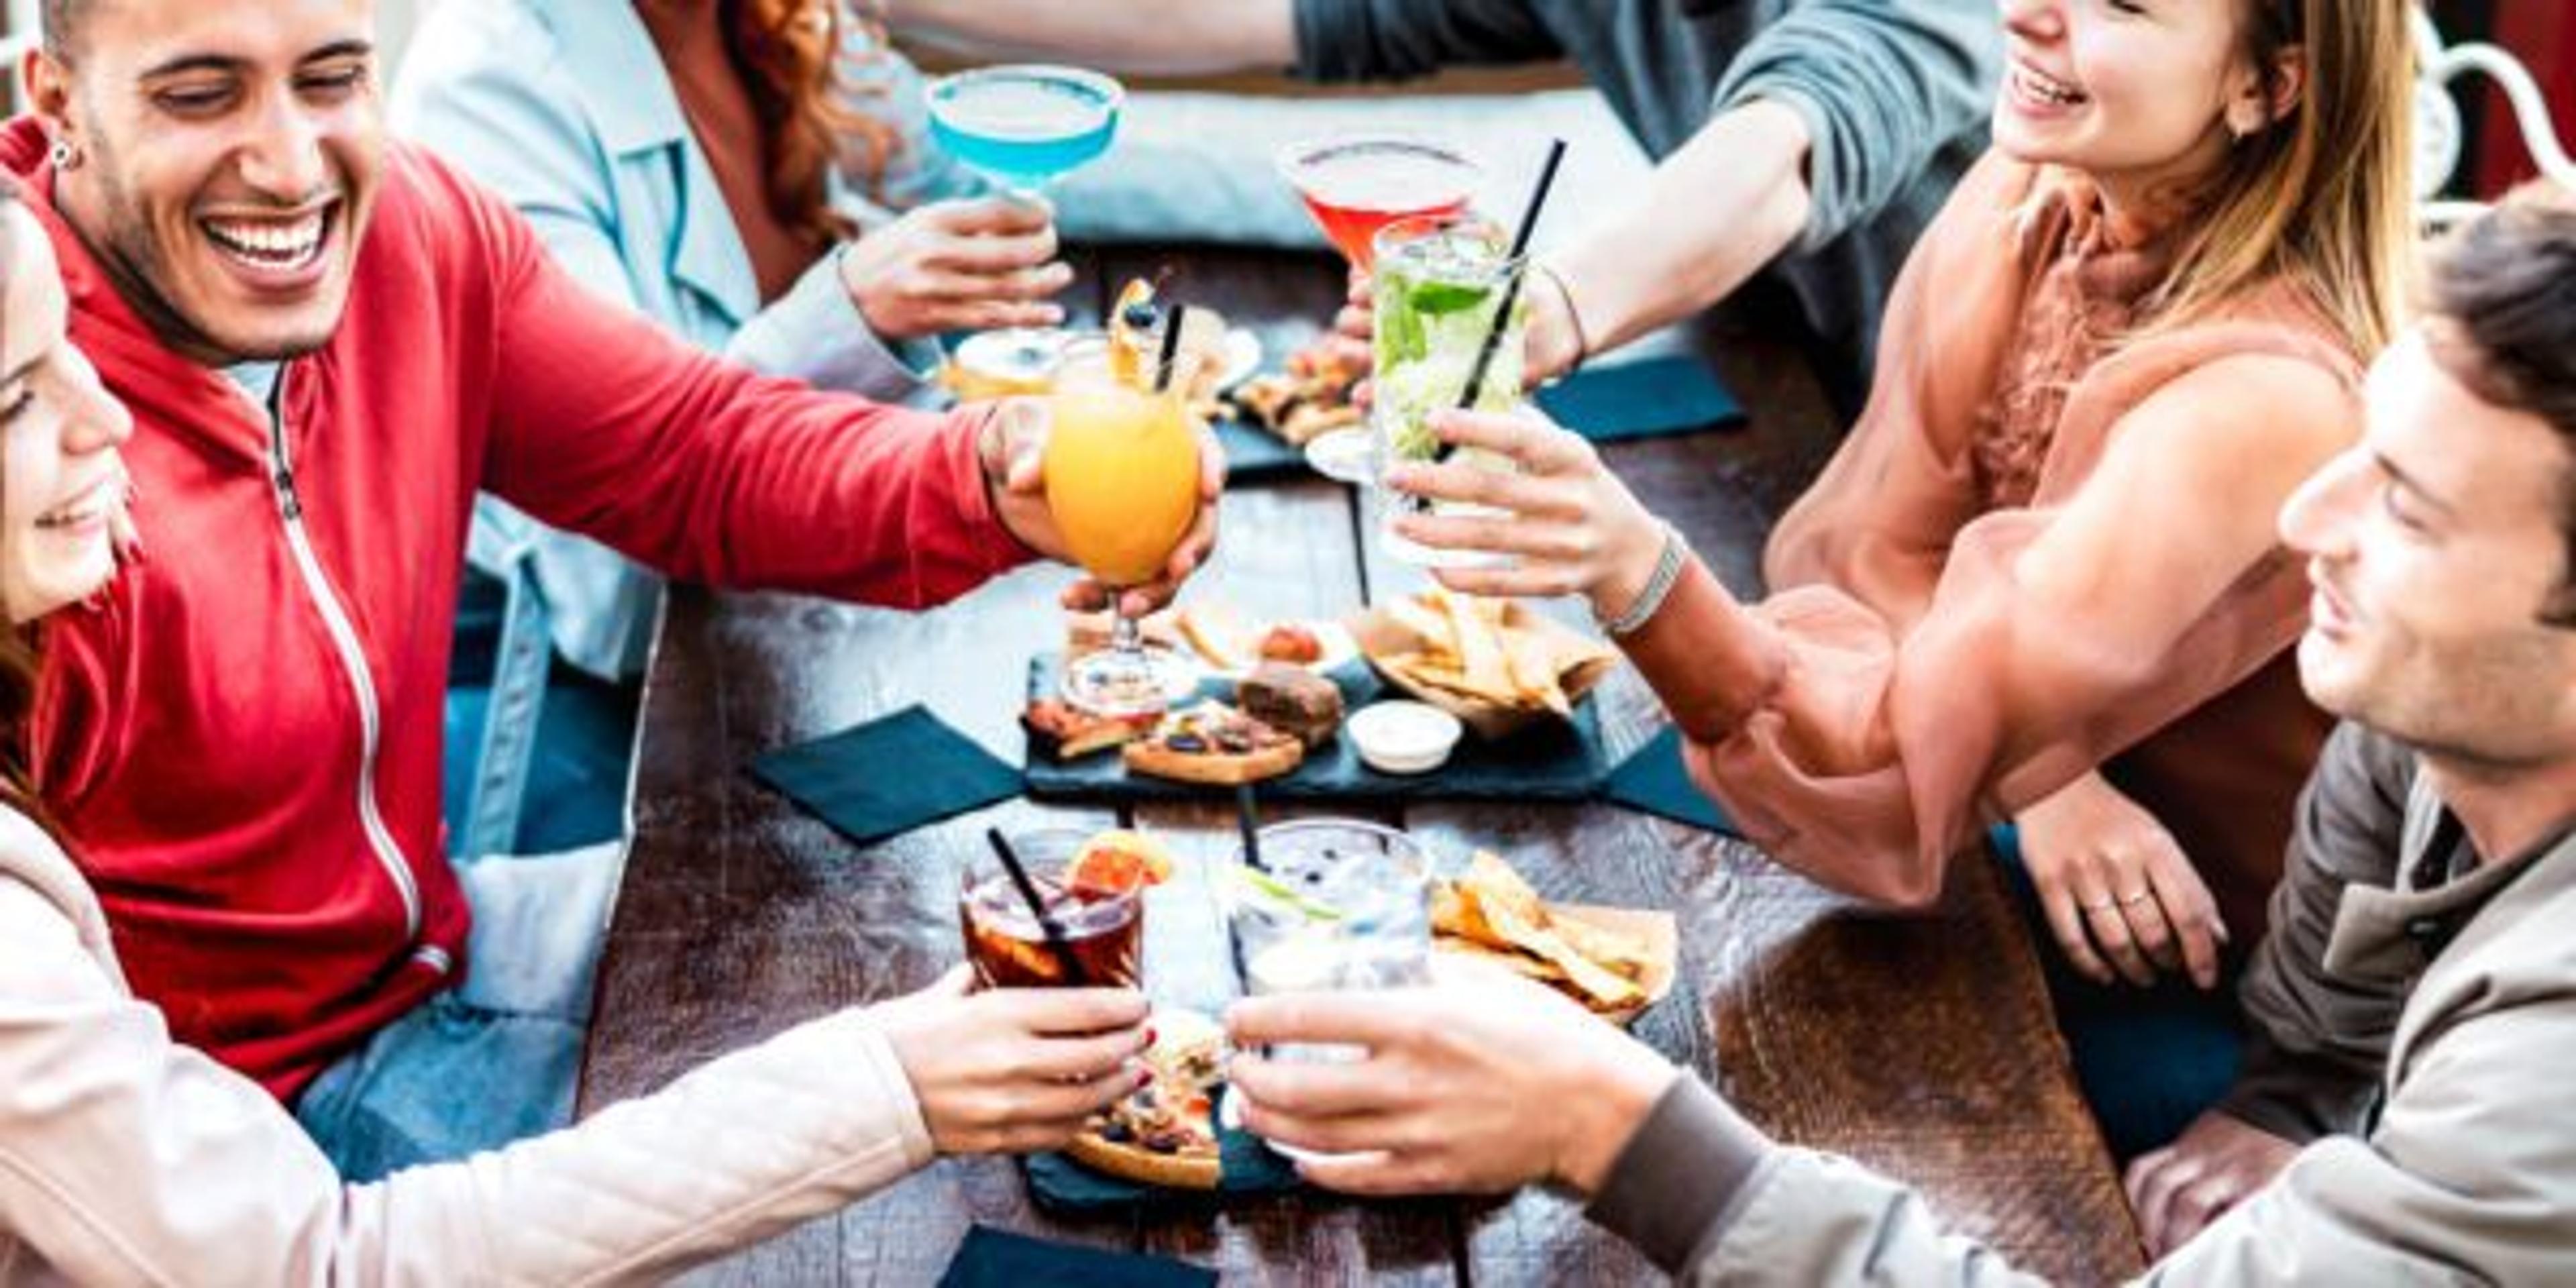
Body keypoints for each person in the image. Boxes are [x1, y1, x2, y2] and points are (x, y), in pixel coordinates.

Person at [1225, 182, 2576, 1282]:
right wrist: (2286, 1101)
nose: (2305, 523)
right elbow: (2334, 995)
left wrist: (1617, 1127)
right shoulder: (2426, 719)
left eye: (2407, 507)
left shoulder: (2547, 1077)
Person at [10, 0, 1218, 1181]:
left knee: (939, 959)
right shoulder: (31, 447)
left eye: (330, 77)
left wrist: (991, 476)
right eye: (199, 93)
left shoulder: (416, 229)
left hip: (450, 944)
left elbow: (688, 453)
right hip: (250, 1123)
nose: (286, 166)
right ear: (56, 101)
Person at [1374, 0, 2413, 1151]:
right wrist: (2047, 782)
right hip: (2008, 848)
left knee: (1684, 1080)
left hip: (2205, 977)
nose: (2025, 13)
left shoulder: (2263, 393)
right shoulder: (2033, 195)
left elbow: (1885, 759)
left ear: (2267, 87)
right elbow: (1851, 551)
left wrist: (1630, 565)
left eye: (2121, 3)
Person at [388, 0, 1075, 855]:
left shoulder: (769, 22)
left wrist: (1286, 172)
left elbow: (996, 187)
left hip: (793, 633)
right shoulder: (488, 89)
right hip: (595, 726)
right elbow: (627, 531)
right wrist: (850, 311)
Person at [884, 0, 2002, 407]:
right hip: (1820, 429)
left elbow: (1775, 157)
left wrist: (1530, 316)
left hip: (2029, 502)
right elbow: (1282, 17)